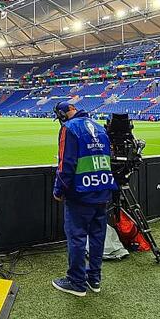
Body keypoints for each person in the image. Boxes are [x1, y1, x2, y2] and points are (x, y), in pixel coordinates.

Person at [51, 101, 116, 297]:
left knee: (77, 237)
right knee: (97, 237)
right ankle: (94, 279)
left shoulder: (68, 129)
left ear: (63, 114)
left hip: (80, 192)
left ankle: (76, 282)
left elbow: (66, 164)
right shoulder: (99, 127)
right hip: (103, 189)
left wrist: (58, 190)